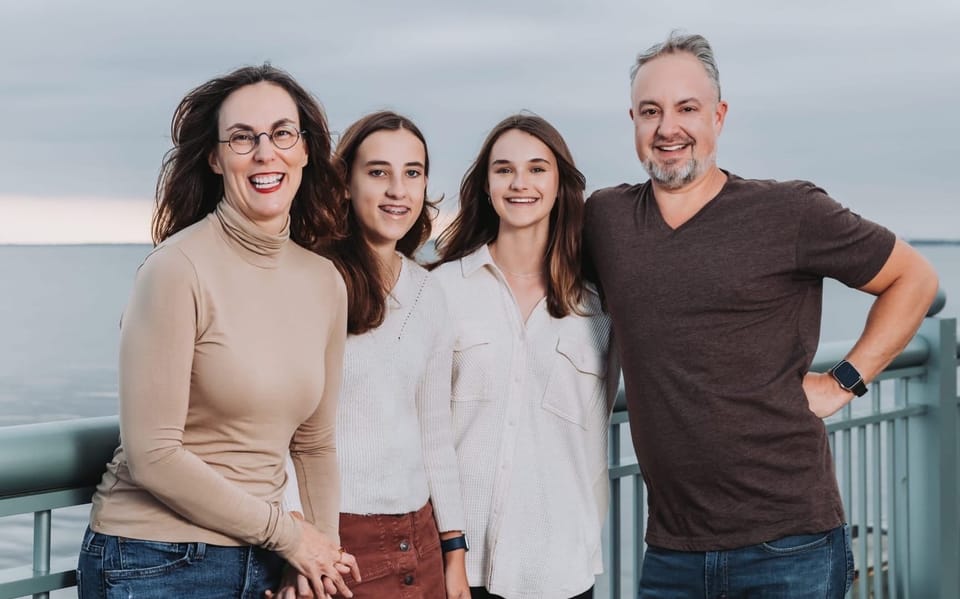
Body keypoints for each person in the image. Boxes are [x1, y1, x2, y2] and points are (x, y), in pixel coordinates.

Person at [583, 32, 940, 598]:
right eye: (651, 111)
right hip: (671, 552)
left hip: (789, 544)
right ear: (632, 120)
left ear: (719, 116)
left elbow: (913, 278)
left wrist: (845, 380)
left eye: (687, 108)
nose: (667, 128)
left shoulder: (789, 211)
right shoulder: (605, 219)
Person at [77, 64, 361, 599]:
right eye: (242, 138)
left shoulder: (325, 282)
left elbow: (316, 443)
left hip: (265, 557)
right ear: (215, 157)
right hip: (156, 561)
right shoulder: (175, 269)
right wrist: (289, 536)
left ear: (304, 149)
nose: (264, 152)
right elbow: (153, 454)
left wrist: (318, 556)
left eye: (281, 133)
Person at [278, 111, 469, 599]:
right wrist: (297, 542)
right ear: (345, 184)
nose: (397, 191)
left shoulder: (429, 291)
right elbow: (278, 430)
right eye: (378, 172)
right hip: (338, 544)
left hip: (422, 542)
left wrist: (454, 555)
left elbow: (435, 432)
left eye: (413, 173)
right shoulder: (313, 280)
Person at [432, 114, 617, 599]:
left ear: (560, 185)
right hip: (454, 568)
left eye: (537, 168)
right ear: (485, 185)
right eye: (504, 169)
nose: (520, 183)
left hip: (560, 567)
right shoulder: (440, 290)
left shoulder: (598, 308)